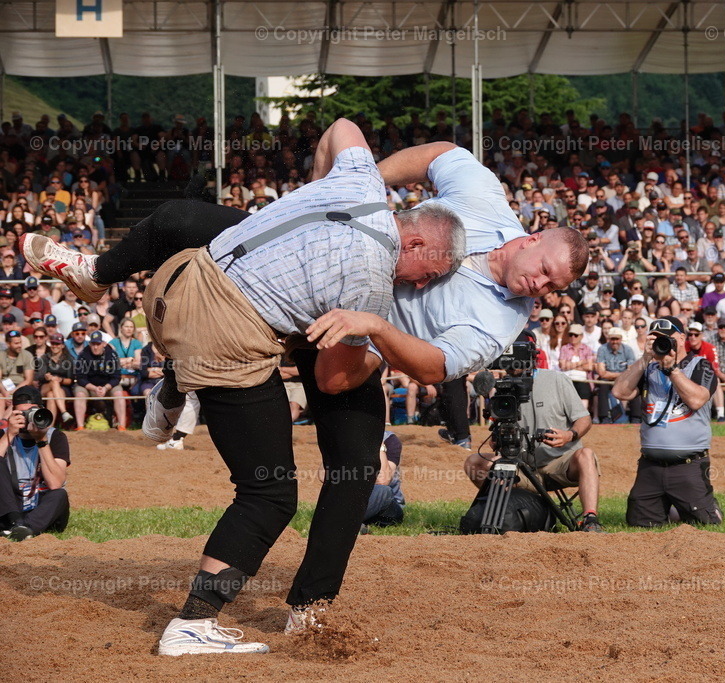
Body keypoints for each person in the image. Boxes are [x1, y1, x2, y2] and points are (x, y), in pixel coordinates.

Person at [29, 120, 584, 652]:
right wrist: (352, 190)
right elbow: (439, 153)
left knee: (353, 467)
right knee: (181, 220)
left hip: (361, 342)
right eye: (544, 273)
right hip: (321, 271)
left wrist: (380, 329)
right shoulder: (484, 200)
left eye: (551, 289)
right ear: (530, 238)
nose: (538, 290)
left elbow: (433, 368)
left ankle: (310, 604)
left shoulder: (503, 318)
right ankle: (97, 276)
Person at [464, 341, 603, 532]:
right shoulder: (501, 388)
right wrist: (499, 440)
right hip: (522, 468)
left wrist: (569, 435)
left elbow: (584, 419)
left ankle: (590, 519)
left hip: (559, 463)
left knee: (585, 454)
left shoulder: (556, 379)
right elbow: (497, 435)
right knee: (475, 462)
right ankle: (515, 508)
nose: (511, 367)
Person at [612, 316, 723, 527]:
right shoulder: (649, 368)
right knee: (638, 523)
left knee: (706, 523)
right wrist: (645, 358)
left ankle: (706, 506)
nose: (662, 343)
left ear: (681, 339)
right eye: (657, 339)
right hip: (650, 466)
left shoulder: (701, 365)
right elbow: (619, 391)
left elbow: (697, 400)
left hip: (688, 465)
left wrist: (672, 369)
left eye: (667, 338)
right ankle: (672, 505)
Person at [0, 386, 70, 541]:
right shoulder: (3, 436)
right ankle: (17, 525)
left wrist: (41, 441)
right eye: (21, 413)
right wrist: (9, 434)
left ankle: (24, 528)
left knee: (60, 494)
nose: (27, 417)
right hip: (10, 508)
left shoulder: (55, 437)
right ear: (12, 413)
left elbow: (55, 483)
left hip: (44, 511)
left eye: (32, 412)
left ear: (42, 411)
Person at [73, 331, 127, 431]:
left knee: (119, 393)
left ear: (104, 344)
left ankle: (122, 426)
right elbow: (80, 378)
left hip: (108, 386)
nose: (95, 347)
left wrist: (106, 387)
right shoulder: (83, 355)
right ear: (89, 344)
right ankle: (80, 426)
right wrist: (94, 388)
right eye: (93, 344)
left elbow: (116, 377)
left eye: (98, 344)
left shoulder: (112, 355)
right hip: (89, 387)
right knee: (79, 393)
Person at [363, 431, 405, 527]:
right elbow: (324, 475)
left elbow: (383, 480)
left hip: (383, 501)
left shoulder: (389, 440)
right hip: (353, 497)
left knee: (384, 491)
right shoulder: (346, 436)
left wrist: (378, 444)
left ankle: (348, 522)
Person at [594, 327, 636, 424]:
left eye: (617, 339)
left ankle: (636, 416)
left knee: (634, 385)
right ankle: (604, 417)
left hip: (622, 379)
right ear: (609, 339)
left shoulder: (628, 350)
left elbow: (631, 371)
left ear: (621, 339)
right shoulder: (602, 349)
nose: (615, 341)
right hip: (607, 379)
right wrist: (621, 374)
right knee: (602, 386)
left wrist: (611, 374)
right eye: (612, 339)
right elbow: (601, 372)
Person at [36, 333, 75, 426]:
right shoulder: (44, 358)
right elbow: (39, 376)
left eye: (57, 344)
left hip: (63, 389)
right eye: (53, 344)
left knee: (51, 395)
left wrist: (60, 379)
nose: (55, 346)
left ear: (62, 345)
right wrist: (47, 376)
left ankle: (49, 427)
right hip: (45, 386)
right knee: (53, 382)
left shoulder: (68, 359)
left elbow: (71, 380)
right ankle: (64, 412)